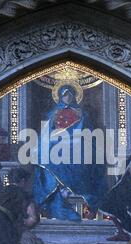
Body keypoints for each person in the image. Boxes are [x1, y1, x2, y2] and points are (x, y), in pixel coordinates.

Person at [33, 84, 107, 221]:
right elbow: (46, 134)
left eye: (70, 95)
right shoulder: (53, 113)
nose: (67, 98)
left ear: (74, 96)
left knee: (83, 153)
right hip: (56, 144)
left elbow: (87, 132)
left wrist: (72, 137)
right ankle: (56, 195)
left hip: (78, 143)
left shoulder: (82, 113)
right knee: (46, 155)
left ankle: (81, 195)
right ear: (60, 96)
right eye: (65, 95)